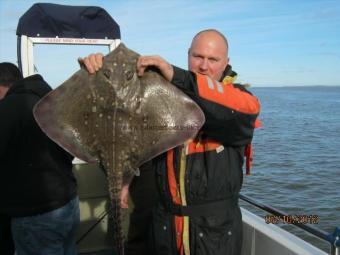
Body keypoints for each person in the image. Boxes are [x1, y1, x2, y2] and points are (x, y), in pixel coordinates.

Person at [81, 29, 260, 255]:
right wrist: (96, 75)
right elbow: (124, 133)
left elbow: (233, 112)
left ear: (227, 62)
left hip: (215, 238)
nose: (204, 66)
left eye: (213, 59)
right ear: (188, 55)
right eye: (198, 57)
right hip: (164, 233)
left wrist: (177, 76)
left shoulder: (239, 100)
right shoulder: (162, 95)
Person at [0, 62, 80, 255]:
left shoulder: (8, 108)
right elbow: (71, 149)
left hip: (36, 214)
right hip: (68, 204)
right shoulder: (53, 101)